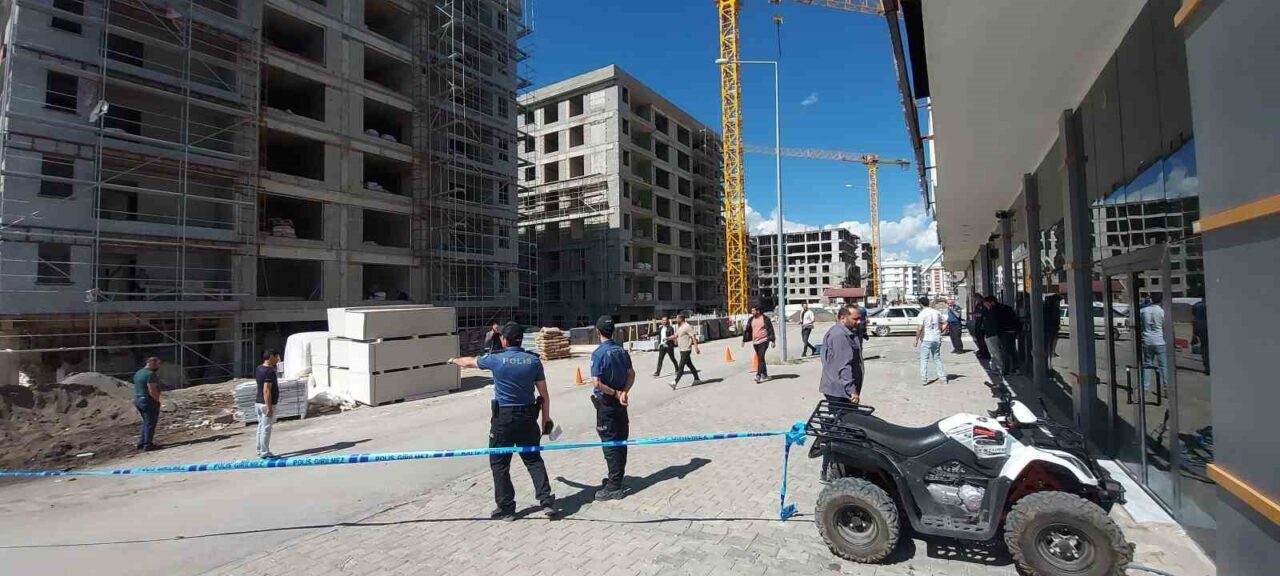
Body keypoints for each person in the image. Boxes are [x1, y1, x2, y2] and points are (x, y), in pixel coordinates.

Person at [449, 322, 559, 521]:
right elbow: (544, 394)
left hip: (504, 420)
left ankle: (507, 508)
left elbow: (469, 362)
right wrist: (546, 417)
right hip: (528, 417)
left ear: (505, 340)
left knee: (499, 463)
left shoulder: (496, 360)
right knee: (533, 460)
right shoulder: (533, 361)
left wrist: (454, 360)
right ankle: (546, 501)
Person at [589, 315, 634, 501]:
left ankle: (614, 486)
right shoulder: (621, 351)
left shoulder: (598, 354)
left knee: (609, 442)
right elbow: (631, 374)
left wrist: (615, 393)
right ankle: (616, 477)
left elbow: (596, 382)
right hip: (620, 403)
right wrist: (624, 391)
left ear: (597, 332)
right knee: (621, 440)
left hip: (607, 403)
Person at [820, 306, 865, 405]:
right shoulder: (840, 335)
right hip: (840, 390)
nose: (859, 322)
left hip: (840, 388)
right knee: (846, 418)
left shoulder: (847, 332)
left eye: (860, 318)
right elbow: (843, 365)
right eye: (855, 319)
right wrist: (851, 390)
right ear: (843, 318)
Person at [982, 295, 1020, 376]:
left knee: (1005, 351)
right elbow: (1015, 319)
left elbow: (994, 323)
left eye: (987, 304)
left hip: (1004, 332)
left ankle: (1007, 370)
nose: (986, 306)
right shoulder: (1007, 308)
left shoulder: (994, 310)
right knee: (1011, 350)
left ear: (992, 302)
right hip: (1011, 331)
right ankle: (1015, 368)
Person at [254, 349, 282, 459]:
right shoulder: (269, 372)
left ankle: (259, 449)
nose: (278, 360)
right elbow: (267, 390)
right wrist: (269, 407)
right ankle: (265, 452)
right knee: (266, 429)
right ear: (271, 357)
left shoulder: (259, 368)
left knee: (260, 427)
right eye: (277, 357)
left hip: (258, 402)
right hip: (266, 404)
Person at [131, 357, 163, 451]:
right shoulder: (150, 374)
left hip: (138, 399)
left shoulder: (138, 373)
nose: (159, 366)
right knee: (150, 423)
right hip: (148, 400)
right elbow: (152, 389)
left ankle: (141, 442)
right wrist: (157, 400)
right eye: (158, 364)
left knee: (146, 422)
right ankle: (147, 444)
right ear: (152, 363)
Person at [914, 297, 948, 385]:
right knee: (937, 358)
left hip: (926, 339)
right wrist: (941, 331)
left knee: (924, 359)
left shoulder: (922, 314)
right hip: (936, 338)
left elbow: (920, 327)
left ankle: (924, 379)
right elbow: (945, 322)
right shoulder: (936, 312)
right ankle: (943, 378)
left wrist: (916, 339)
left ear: (920, 304)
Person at [1140, 294, 1168, 392]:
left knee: (1147, 364)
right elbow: (1165, 327)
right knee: (1163, 366)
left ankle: (1145, 387)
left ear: (1151, 300)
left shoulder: (1144, 311)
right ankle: (1166, 388)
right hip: (1160, 341)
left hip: (1147, 340)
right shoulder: (1162, 311)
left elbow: (1140, 325)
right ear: (1161, 300)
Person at [741, 304, 775, 383]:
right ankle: (764, 373)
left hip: (764, 341)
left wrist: (773, 341)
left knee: (760, 358)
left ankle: (758, 375)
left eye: (753, 311)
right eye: (752, 311)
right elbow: (747, 330)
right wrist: (743, 340)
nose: (752, 312)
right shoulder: (751, 319)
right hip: (755, 342)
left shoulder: (765, 319)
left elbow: (770, 329)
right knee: (761, 358)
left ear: (758, 311)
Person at [670, 314, 703, 388]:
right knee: (690, 365)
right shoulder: (680, 327)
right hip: (681, 349)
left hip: (686, 349)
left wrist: (696, 347)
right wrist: (667, 338)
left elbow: (693, 337)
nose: (676, 320)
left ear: (681, 319)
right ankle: (697, 379)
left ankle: (675, 382)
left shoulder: (687, 326)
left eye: (677, 318)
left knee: (681, 366)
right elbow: (675, 336)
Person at [970, 293, 990, 359]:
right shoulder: (978, 304)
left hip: (982, 325)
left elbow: (983, 313)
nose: (976, 300)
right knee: (979, 339)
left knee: (983, 340)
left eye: (976, 298)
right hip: (978, 324)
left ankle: (985, 353)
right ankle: (981, 351)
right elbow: (976, 313)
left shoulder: (983, 304)